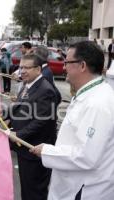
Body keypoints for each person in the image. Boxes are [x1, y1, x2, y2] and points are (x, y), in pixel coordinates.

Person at [30, 41, 114, 200]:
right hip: (73, 184)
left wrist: (47, 151)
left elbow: (86, 156)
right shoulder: (90, 94)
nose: (63, 67)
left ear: (82, 66)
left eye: (67, 62)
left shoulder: (98, 103)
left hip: (83, 190)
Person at [8, 54, 58, 200]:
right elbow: (20, 108)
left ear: (37, 69)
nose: (22, 71)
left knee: (34, 191)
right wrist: (5, 112)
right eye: (21, 67)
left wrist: (19, 134)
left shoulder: (45, 90)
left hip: (34, 150)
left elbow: (42, 121)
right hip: (24, 149)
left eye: (26, 68)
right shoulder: (27, 84)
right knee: (27, 188)